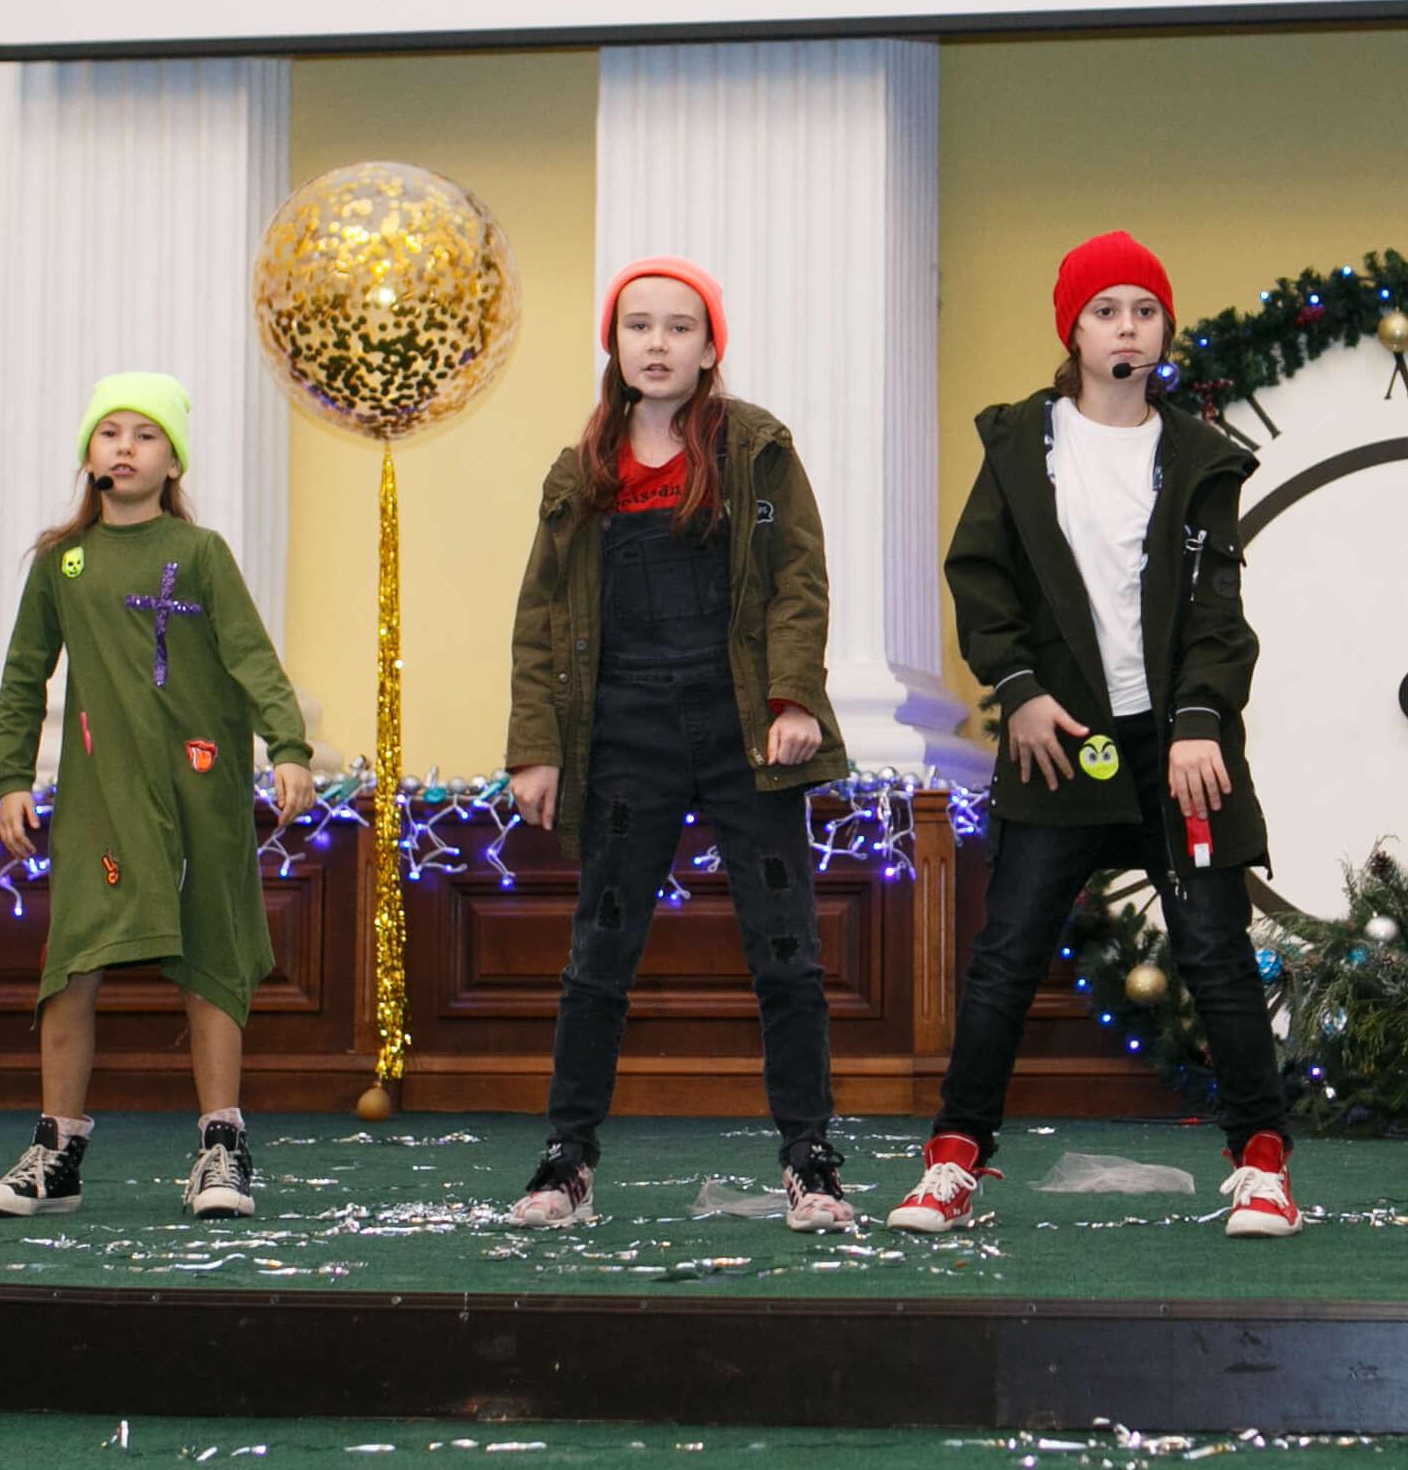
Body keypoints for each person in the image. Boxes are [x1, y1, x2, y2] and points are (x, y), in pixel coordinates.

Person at [886, 231, 1301, 1239]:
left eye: (1144, 311)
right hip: (1059, 739)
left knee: (1217, 952)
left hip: (1178, 749)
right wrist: (1019, 691)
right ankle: (953, 1160)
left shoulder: (1201, 459)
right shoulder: (1019, 446)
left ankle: (1261, 1164)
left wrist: (1199, 723)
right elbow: (981, 582)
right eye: (1105, 311)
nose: (1127, 328)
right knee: (1005, 956)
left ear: (1165, 330)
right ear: (1071, 332)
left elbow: (1219, 615)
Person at [502, 260, 854, 1230]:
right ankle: (566, 1160)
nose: (657, 343)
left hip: (747, 733)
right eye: (638, 325)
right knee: (598, 955)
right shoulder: (579, 473)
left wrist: (794, 699)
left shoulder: (757, 449)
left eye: (679, 327)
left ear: (709, 347)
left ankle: (811, 1158)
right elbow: (540, 618)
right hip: (625, 733)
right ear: (614, 343)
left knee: (786, 955)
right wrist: (537, 745)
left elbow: (799, 581)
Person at [0, 374, 313, 1222]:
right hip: (101, 798)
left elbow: (252, 657)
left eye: (146, 434)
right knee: (73, 964)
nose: (125, 447)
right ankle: (55, 1156)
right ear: (89, 454)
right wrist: (12, 778)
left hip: (199, 793)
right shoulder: (63, 563)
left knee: (209, 963)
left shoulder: (199, 554)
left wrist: (288, 747)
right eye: (110, 432)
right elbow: (23, 676)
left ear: (173, 462)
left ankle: (221, 1151)